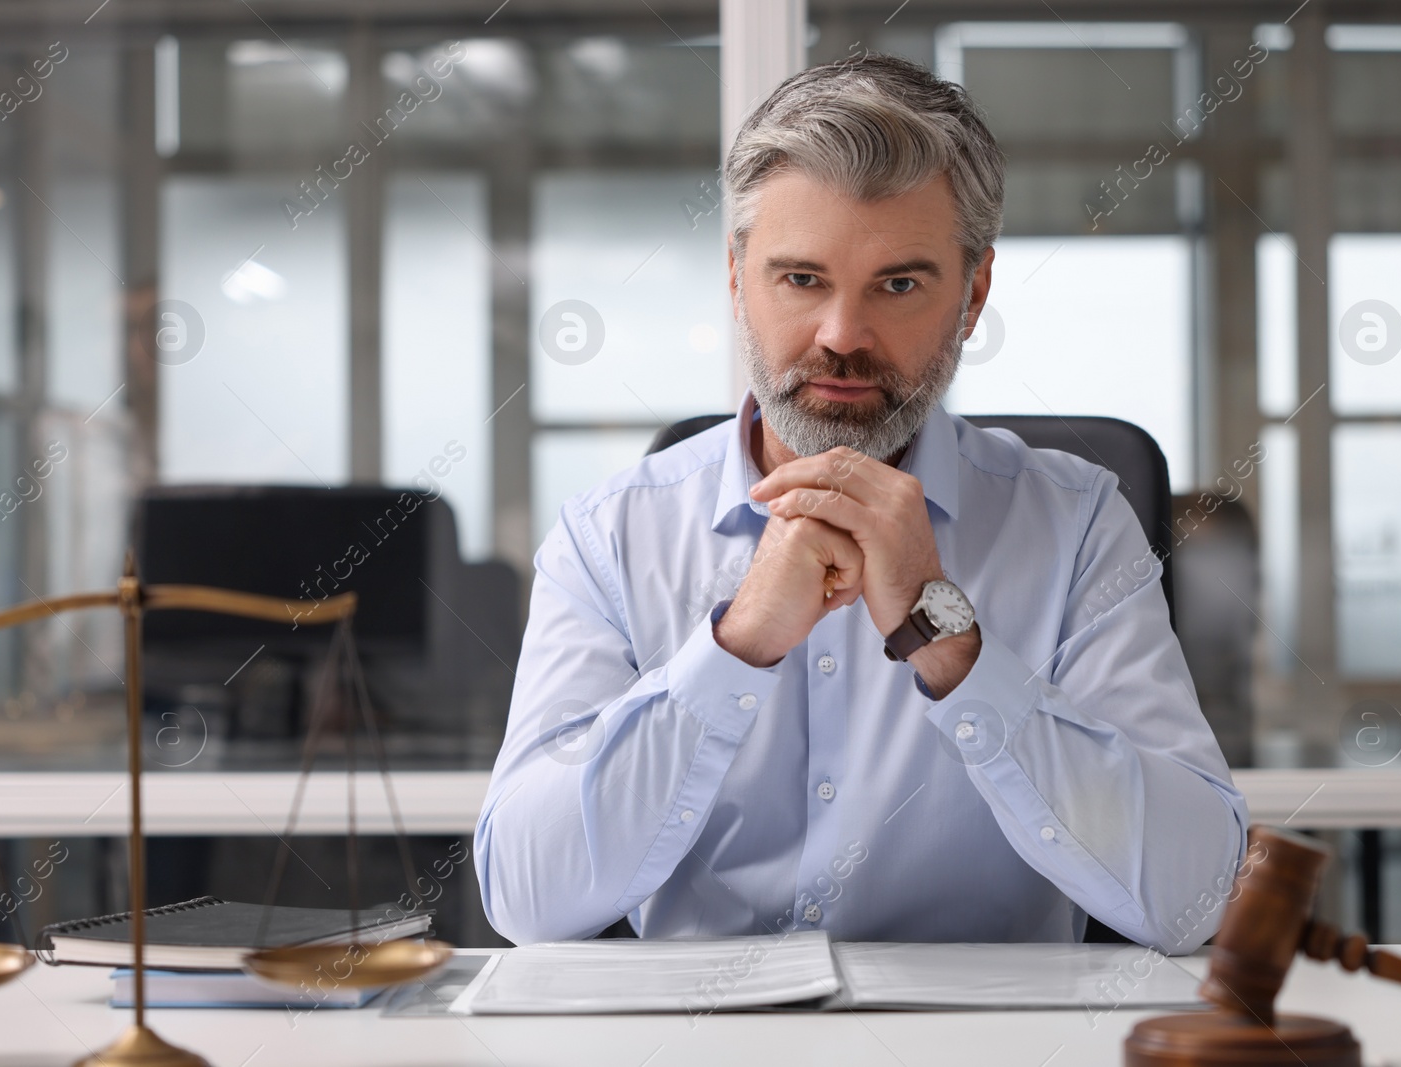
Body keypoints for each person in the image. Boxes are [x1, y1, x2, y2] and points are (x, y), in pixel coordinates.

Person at [475, 54, 1247, 952]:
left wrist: (949, 638)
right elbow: (525, 897)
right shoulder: (611, 535)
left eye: (899, 284)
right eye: (802, 280)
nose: (842, 336)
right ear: (737, 280)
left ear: (974, 294)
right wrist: (735, 647)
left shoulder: (1075, 527)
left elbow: (1198, 897)